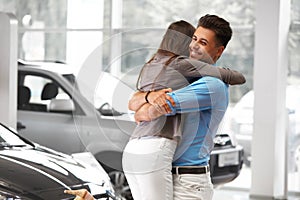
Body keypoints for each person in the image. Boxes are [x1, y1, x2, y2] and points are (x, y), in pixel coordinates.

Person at [123, 18, 245, 200]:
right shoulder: (183, 77)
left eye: (202, 42)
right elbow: (136, 101)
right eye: (194, 38)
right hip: (171, 173)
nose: (193, 46)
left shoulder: (212, 85)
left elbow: (148, 111)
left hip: (189, 182)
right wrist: (145, 97)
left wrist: (143, 104)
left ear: (218, 51)